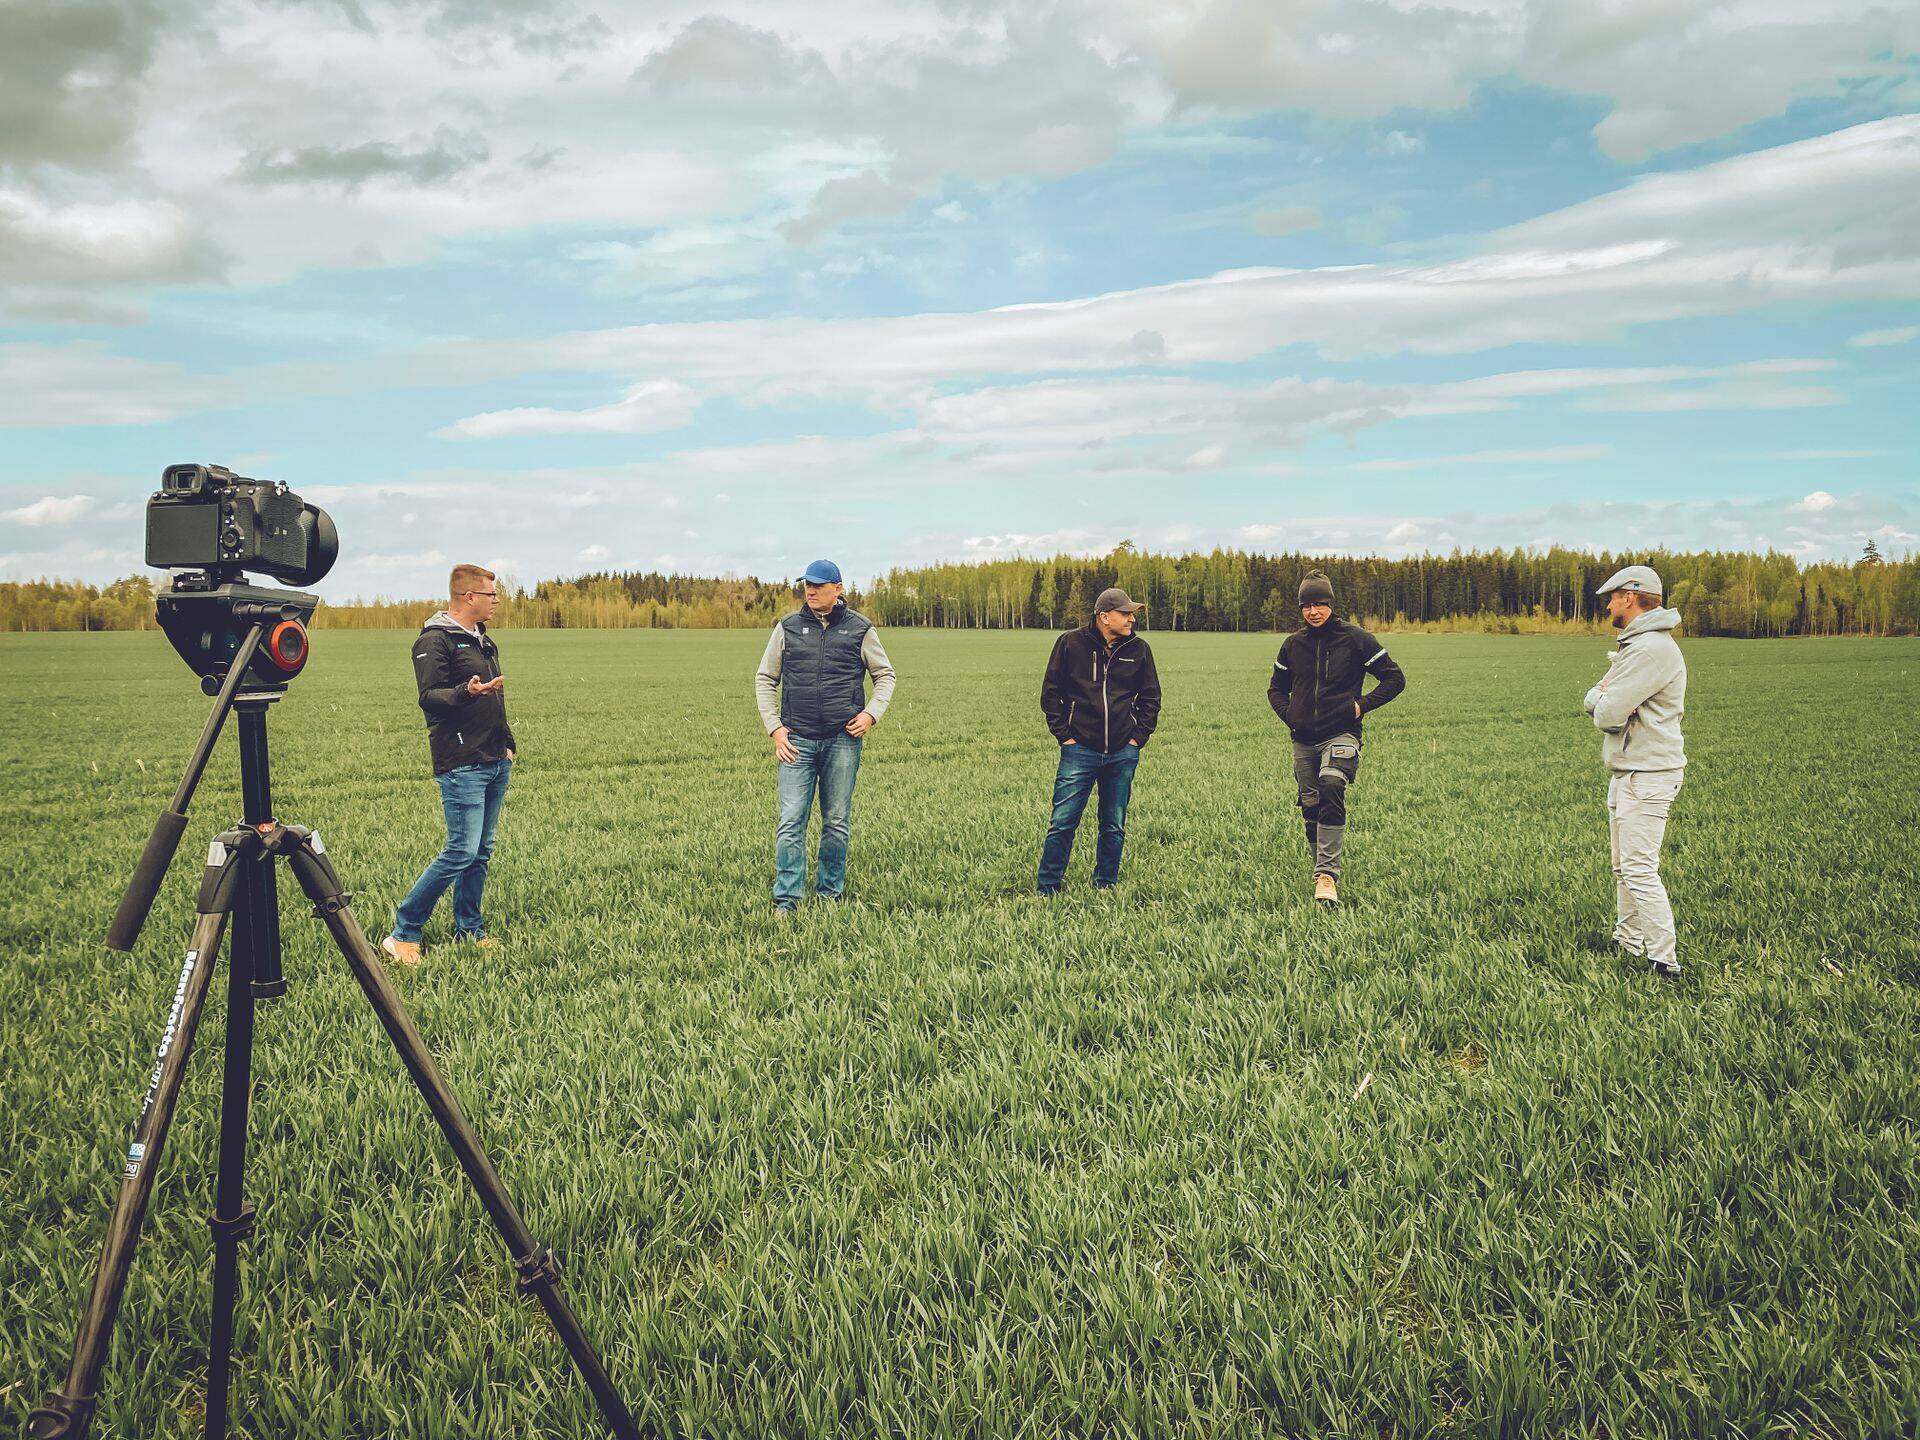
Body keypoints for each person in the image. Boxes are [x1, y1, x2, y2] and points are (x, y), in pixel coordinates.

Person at [384, 564, 517, 964]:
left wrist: (508, 744)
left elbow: (497, 698)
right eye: (491, 595)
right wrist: (466, 691)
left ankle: (469, 929)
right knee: (460, 850)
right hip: (461, 761)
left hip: (494, 758)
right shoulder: (434, 641)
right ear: (469, 597)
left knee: (481, 851)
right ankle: (403, 932)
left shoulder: (483, 641)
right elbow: (430, 696)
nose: (496, 602)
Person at [755, 559, 896, 911]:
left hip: (842, 741)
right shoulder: (786, 627)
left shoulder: (860, 629)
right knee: (790, 822)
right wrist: (775, 728)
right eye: (807, 585)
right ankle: (786, 900)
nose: (811, 591)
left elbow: (885, 675)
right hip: (797, 740)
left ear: (839, 588)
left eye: (819, 585)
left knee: (836, 821)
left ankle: (829, 895)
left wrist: (870, 714)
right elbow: (765, 678)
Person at [1267, 570, 1405, 905]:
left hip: (1341, 732)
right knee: (1312, 805)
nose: (1313, 611)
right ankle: (1320, 866)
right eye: (1306, 606)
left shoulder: (1355, 639)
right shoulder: (1292, 645)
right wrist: (1292, 715)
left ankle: (1327, 875)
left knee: (1332, 785)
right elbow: (1275, 689)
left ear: (1330, 604)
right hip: (1303, 738)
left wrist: (1361, 706)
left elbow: (1394, 678)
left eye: (1319, 604)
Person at [1583, 564, 1688, 978]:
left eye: (1612, 597)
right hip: (1629, 770)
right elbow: (1595, 695)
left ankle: (1665, 961)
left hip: (1648, 773)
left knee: (1640, 868)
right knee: (1623, 866)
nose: (1609, 604)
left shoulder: (1649, 650)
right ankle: (1628, 942)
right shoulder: (1637, 646)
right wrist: (1601, 697)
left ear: (1631, 595)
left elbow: (1605, 711)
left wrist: (1602, 700)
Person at [1037, 587, 1162, 893]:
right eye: (1126, 613)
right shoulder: (1070, 644)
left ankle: (1105, 884)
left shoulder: (1139, 650)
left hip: (1122, 752)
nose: (1132, 619)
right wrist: (1064, 736)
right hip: (1079, 750)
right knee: (1063, 822)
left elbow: (1151, 698)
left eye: (1132, 614)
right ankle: (1047, 887)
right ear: (1105, 617)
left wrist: (1137, 739)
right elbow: (1050, 693)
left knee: (1114, 825)